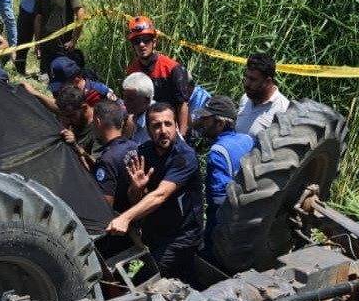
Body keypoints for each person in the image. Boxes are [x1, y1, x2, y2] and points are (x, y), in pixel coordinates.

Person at [106, 102, 203, 282]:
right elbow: (135, 200)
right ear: (149, 130)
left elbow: (160, 195)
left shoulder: (184, 157)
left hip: (181, 238)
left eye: (168, 124)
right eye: (156, 126)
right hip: (153, 233)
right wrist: (136, 188)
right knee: (125, 276)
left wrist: (125, 218)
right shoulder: (144, 152)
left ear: (176, 126)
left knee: (142, 279)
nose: (163, 130)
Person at [194, 95, 256, 257]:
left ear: (220, 124)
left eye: (206, 119)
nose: (201, 122)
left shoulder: (218, 152)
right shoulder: (248, 139)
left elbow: (219, 199)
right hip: (251, 217)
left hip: (224, 224)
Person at [125, 16, 189, 137]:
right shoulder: (132, 72)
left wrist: (182, 136)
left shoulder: (171, 68)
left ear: (154, 42)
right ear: (132, 45)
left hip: (169, 127)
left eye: (146, 40)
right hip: (143, 129)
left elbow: (182, 105)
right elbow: (130, 107)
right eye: (137, 41)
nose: (141, 45)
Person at [33, 0, 85, 76]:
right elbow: (38, 20)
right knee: (46, 77)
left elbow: (80, 14)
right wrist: (37, 44)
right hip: (46, 45)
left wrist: (74, 40)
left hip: (63, 45)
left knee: (64, 76)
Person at [92, 100, 137, 209]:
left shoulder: (107, 159)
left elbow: (105, 205)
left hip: (118, 216)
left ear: (97, 122)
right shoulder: (135, 146)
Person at [236, 52, 291, 138]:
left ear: (268, 81)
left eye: (253, 79)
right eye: (246, 77)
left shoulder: (284, 110)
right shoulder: (246, 97)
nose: (246, 83)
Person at [54, 84, 96, 167]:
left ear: (84, 108)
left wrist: (75, 145)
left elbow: (98, 164)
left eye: (71, 116)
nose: (68, 120)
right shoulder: (74, 117)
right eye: (65, 116)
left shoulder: (99, 126)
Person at [121, 72, 154, 144]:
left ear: (147, 100)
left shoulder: (156, 121)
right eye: (124, 97)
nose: (125, 103)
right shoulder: (133, 115)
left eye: (130, 99)